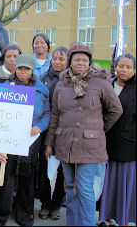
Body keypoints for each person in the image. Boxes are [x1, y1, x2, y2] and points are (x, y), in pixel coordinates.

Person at [44, 44, 123, 226]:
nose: (81, 63)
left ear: (90, 62)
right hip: (65, 144)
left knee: (85, 189)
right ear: (70, 62)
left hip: (90, 147)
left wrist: (98, 129)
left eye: (85, 60)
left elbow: (115, 109)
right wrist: (50, 143)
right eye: (77, 60)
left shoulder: (100, 82)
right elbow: (55, 114)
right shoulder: (62, 83)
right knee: (70, 187)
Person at [0, 54, 50, 226]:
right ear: (16, 69)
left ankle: (24, 214)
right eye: (20, 68)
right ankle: (0, 215)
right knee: (6, 179)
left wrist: (41, 126)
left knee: (27, 178)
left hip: (31, 140)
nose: (23, 72)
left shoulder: (41, 88)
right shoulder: (5, 87)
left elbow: (48, 112)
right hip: (9, 139)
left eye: (27, 69)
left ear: (32, 70)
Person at [99, 54, 136, 226]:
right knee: (107, 184)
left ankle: (125, 219)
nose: (124, 70)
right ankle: (106, 217)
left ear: (133, 69)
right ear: (115, 66)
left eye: (129, 67)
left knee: (125, 185)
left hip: (128, 145)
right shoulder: (107, 85)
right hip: (105, 143)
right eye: (121, 66)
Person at [38, 47, 68, 220]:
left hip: (64, 132)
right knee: (43, 170)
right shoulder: (43, 80)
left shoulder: (71, 81)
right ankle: (45, 204)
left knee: (62, 173)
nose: (57, 62)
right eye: (54, 58)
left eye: (61, 59)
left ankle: (56, 204)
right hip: (45, 131)